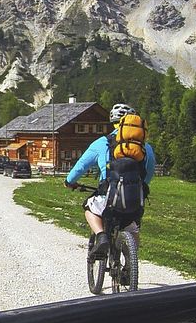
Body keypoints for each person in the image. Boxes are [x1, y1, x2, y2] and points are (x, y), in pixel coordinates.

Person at [64, 103, 157, 259]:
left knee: (89, 207)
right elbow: (149, 173)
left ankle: (101, 237)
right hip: (134, 198)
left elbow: (80, 167)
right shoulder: (145, 147)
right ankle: (130, 263)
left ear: (113, 121)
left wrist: (69, 181)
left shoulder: (102, 143)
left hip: (108, 197)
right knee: (132, 227)